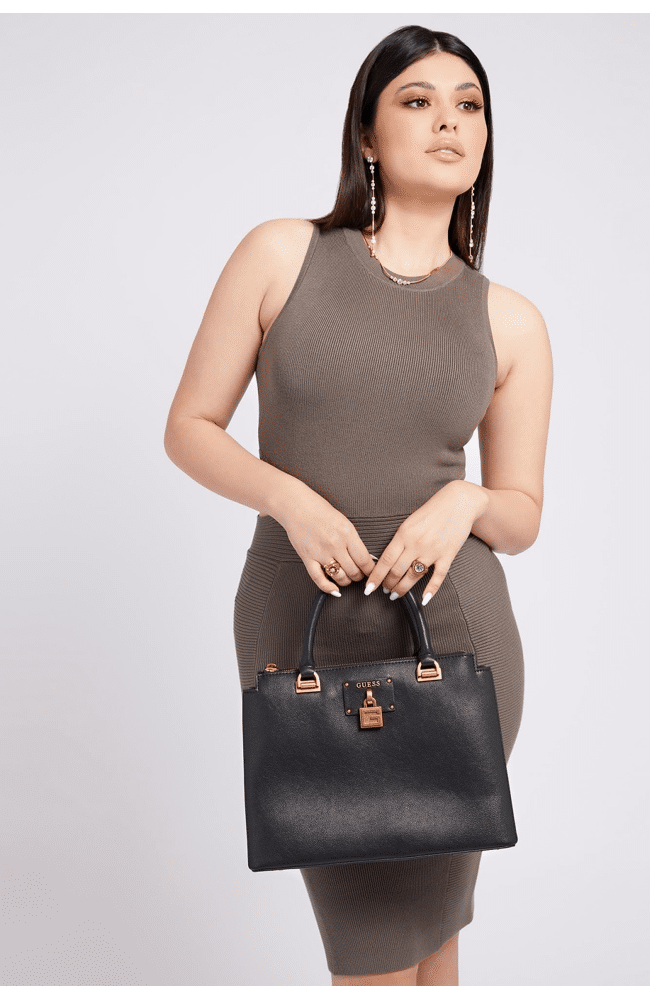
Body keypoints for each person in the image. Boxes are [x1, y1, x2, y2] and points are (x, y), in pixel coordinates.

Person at [164, 23, 552, 988]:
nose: (449, 121)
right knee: (376, 944)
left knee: (430, 935)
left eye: (469, 105)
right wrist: (288, 499)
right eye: (418, 101)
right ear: (368, 137)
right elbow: (190, 428)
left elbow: (521, 516)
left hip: (457, 642)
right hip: (300, 627)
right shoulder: (281, 254)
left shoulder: (510, 320)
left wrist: (464, 500)